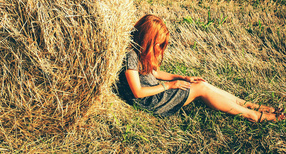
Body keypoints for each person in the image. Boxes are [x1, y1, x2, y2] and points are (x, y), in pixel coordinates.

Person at [117, 14, 284, 122]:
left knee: (203, 84)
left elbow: (154, 73)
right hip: (149, 101)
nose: (160, 48)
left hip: (155, 91)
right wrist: (169, 85)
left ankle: (250, 105)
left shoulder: (139, 50)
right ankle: (253, 115)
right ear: (147, 38)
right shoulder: (130, 55)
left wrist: (181, 78)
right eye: (158, 43)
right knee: (201, 89)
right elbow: (137, 92)